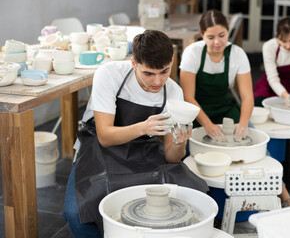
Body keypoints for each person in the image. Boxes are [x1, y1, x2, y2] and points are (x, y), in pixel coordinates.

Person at [62, 30, 208, 238]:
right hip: (99, 146)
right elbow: (105, 136)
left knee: (193, 197)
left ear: (173, 61)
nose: (157, 82)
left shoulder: (173, 92)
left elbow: (171, 156)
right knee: (76, 215)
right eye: (148, 73)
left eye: (164, 71)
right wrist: (143, 128)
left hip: (142, 148)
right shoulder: (110, 74)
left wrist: (179, 144)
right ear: (134, 63)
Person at [179, 9, 290, 207]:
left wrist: (243, 123)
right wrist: (207, 125)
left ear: (228, 30)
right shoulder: (193, 53)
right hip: (196, 111)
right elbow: (188, 97)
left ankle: (285, 197)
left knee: (257, 149)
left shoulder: (237, 54)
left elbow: (247, 95)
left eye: (222, 35)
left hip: (226, 108)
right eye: (211, 37)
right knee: (189, 154)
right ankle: (195, 201)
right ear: (202, 35)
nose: (217, 42)